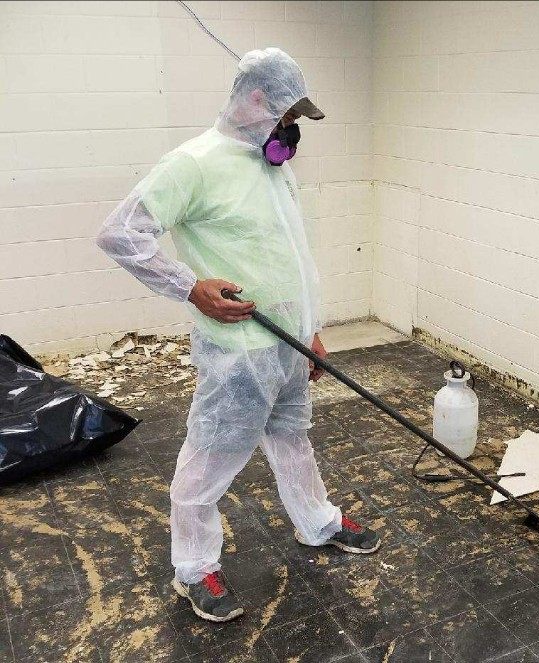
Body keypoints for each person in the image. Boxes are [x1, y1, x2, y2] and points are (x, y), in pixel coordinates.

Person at [97, 48, 380, 623]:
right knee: (210, 459)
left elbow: (294, 261)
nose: (292, 129)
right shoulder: (193, 164)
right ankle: (195, 566)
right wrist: (189, 286)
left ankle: (316, 522)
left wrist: (313, 333)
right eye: (288, 116)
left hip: (287, 343)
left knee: (292, 439)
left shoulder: (272, 166)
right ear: (256, 100)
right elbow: (121, 234)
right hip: (239, 354)